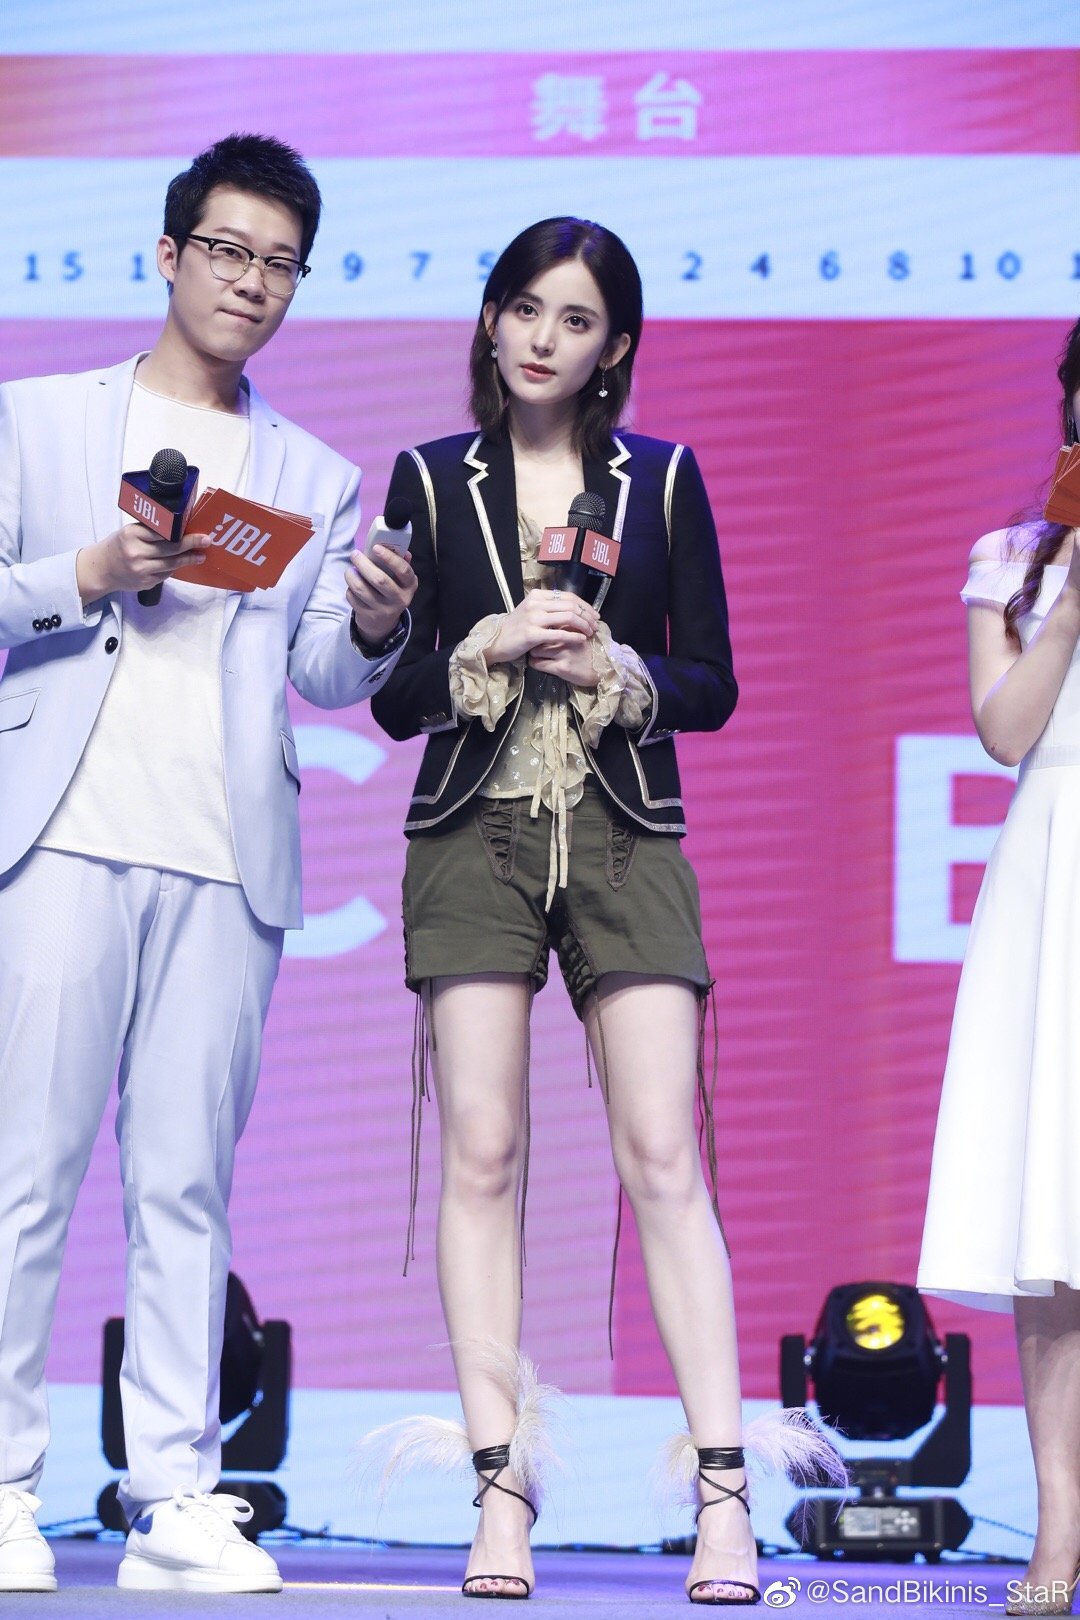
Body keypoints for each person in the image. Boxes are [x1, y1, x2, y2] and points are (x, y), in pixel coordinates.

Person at [0, 133, 415, 1594]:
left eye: (281, 264)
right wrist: (82, 575)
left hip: (226, 857)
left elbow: (324, 670)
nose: (252, 283)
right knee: (28, 1173)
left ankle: (174, 1493)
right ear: (171, 254)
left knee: (185, 1188)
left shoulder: (316, 473)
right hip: (61, 832)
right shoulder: (41, 420)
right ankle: (2, 1482)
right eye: (229, 251)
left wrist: (378, 621)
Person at [371, 215, 763, 1605]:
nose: (544, 337)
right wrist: (475, 645)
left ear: (616, 347)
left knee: (662, 1151)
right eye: (525, 308)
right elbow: (392, 696)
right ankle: (501, 1492)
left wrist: (618, 668)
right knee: (481, 1152)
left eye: (577, 319)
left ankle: (725, 1496)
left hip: (623, 825)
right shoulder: (431, 477)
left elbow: (714, 681)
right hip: (471, 825)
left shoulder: (663, 480)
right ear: (490, 320)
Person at [919, 321, 1080, 1617]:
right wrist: (1069, 599)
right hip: (1054, 878)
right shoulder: (1015, 559)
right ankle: (1058, 1535)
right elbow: (1003, 731)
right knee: (1053, 1228)